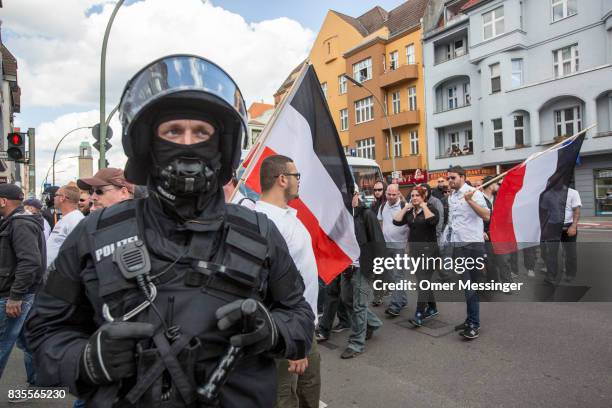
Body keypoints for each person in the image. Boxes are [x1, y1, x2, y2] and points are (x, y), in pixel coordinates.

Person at [26, 55, 314, 407]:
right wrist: (85, 359)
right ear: (149, 143)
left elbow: (299, 316)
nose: (188, 144)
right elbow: (43, 332)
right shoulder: (95, 233)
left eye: (201, 132)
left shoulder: (259, 232)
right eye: (174, 131)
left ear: (221, 146)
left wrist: (274, 330)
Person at [255, 154, 320, 408]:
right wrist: (294, 341)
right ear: (282, 179)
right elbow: (268, 289)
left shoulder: (289, 216)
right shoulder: (266, 223)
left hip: (306, 325)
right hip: (288, 333)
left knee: (308, 394)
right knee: (284, 398)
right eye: (296, 176)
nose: (299, 181)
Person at [0, 184, 45, 401]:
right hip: (19, 294)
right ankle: (39, 384)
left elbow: (30, 262)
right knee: (29, 341)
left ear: (3, 201)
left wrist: (15, 296)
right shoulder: (14, 222)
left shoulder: (20, 224)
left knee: (3, 344)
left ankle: (40, 384)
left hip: (15, 296)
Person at [338, 188, 385, 359]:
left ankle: (356, 344)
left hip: (363, 267)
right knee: (346, 299)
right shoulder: (341, 216)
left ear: (357, 195)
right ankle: (372, 323)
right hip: (345, 266)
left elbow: (378, 242)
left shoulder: (367, 215)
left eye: (350, 195)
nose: (346, 198)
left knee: (359, 305)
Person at [445, 166, 490, 340]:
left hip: (473, 246)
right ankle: (470, 319)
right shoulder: (452, 196)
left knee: (471, 287)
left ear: (463, 177)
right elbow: (453, 222)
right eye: (448, 178)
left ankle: (474, 324)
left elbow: (487, 215)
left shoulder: (474, 193)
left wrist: (470, 201)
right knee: (466, 287)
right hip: (458, 247)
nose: (450, 181)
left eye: (453, 178)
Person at [393, 186, 440, 327]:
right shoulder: (410, 212)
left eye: (416, 195)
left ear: (423, 196)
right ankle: (432, 308)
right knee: (423, 282)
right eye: (412, 196)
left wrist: (424, 206)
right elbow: (396, 221)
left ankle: (419, 314)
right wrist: (405, 208)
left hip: (430, 252)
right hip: (415, 253)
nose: (414, 198)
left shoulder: (431, 209)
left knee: (423, 283)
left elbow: (433, 221)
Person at [377, 183, 409, 317]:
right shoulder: (383, 206)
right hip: (386, 246)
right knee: (391, 276)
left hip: (400, 247)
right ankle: (402, 299)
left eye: (394, 194)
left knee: (398, 275)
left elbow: (411, 225)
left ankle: (395, 305)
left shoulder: (404, 207)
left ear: (398, 194)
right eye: (389, 194)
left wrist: (409, 245)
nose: (391, 196)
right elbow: (380, 222)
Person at [544, 187, 581, 284]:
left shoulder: (573, 193)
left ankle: (570, 274)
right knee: (551, 253)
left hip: (568, 226)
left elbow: (576, 210)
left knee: (571, 253)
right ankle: (551, 276)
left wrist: (573, 226)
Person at [46, 185, 84, 267]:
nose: (53, 198)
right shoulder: (66, 218)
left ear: (62, 198)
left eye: (56, 195)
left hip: (62, 274)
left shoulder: (75, 219)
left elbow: (79, 249)